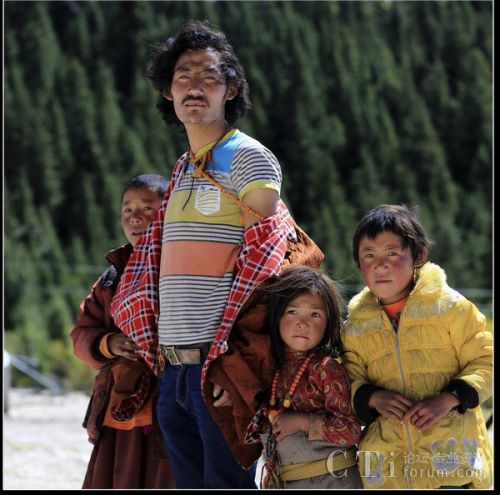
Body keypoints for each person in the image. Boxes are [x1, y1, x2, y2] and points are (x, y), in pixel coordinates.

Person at [110, 19, 325, 488]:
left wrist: (238, 370)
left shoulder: (247, 156)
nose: (194, 86)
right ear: (167, 91)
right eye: (183, 76)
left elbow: (270, 269)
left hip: (219, 368)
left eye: (209, 76)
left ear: (231, 89)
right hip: (173, 368)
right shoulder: (183, 168)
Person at [341, 204, 492, 489]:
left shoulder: (450, 308)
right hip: (387, 473)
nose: (380, 264)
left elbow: (487, 360)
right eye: (369, 255)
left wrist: (450, 398)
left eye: (392, 253)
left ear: (419, 256)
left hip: (451, 467)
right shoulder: (354, 328)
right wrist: (372, 398)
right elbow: (346, 381)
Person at [71, 174, 175, 489]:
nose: (135, 218)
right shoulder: (112, 277)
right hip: (120, 406)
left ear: (169, 213)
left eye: (147, 208)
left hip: (169, 402)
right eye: (127, 210)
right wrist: (107, 343)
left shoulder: (182, 268)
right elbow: (81, 334)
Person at [247, 266, 363, 489]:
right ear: (276, 316)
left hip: (332, 481)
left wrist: (302, 422)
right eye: (292, 312)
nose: (303, 322)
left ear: (328, 323)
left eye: (315, 314)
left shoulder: (326, 369)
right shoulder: (270, 366)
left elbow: (351, 431)